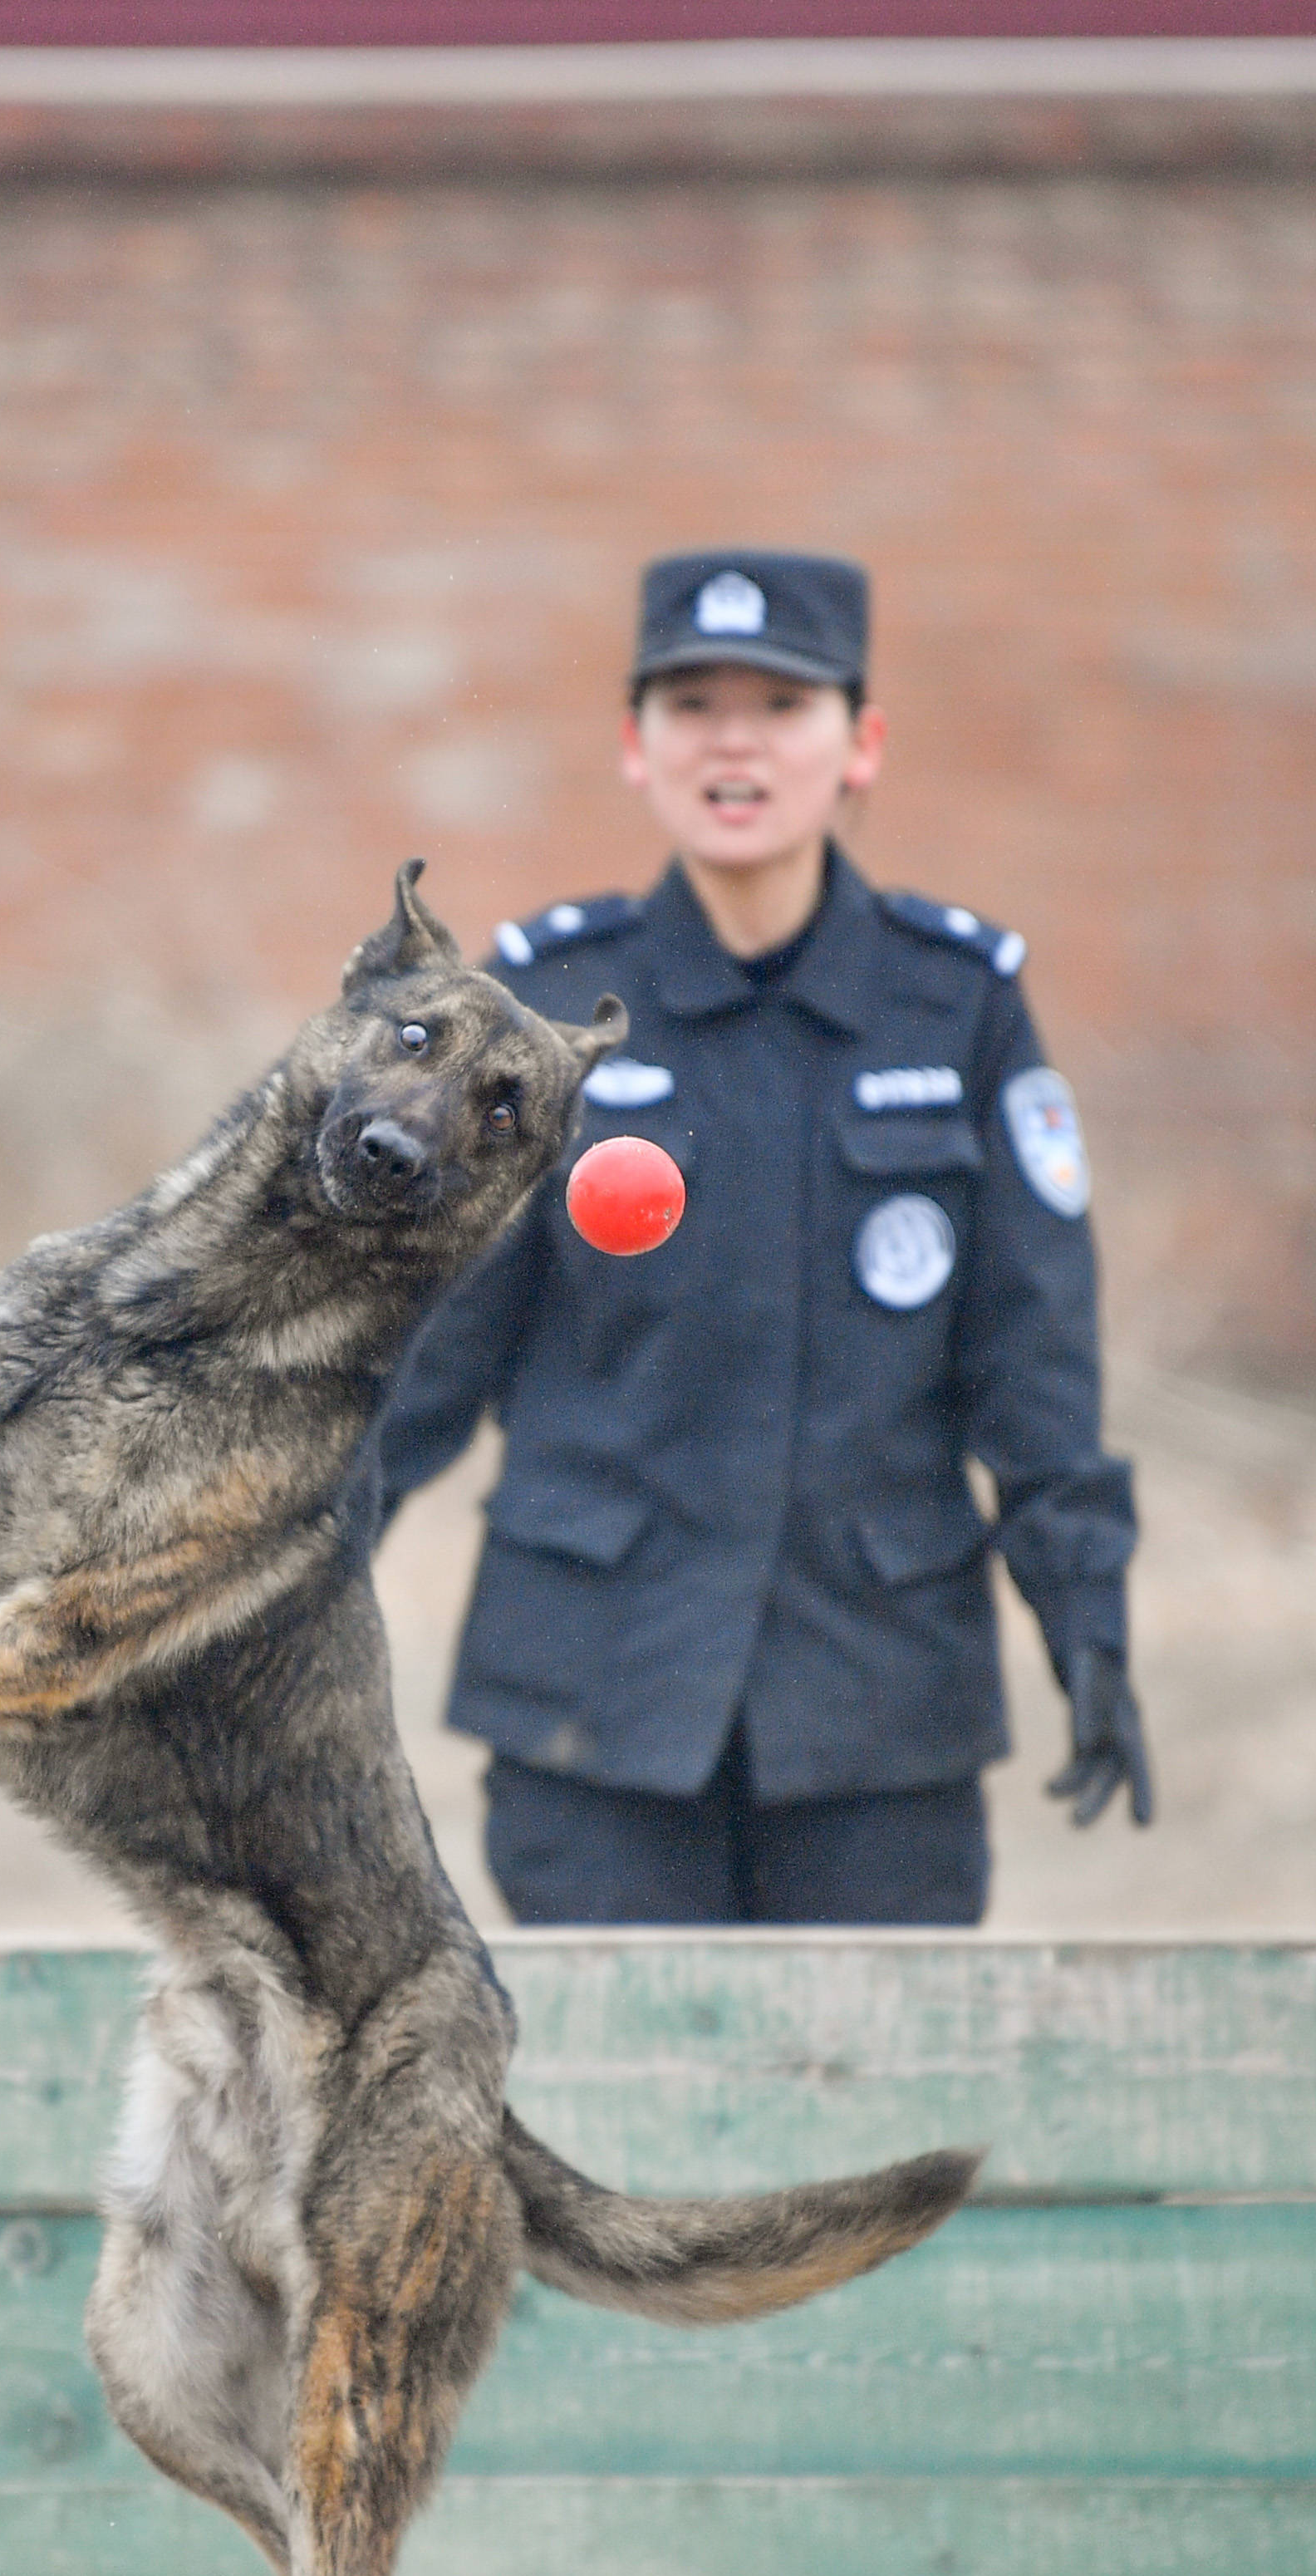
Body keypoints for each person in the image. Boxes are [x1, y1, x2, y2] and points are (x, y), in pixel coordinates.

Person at [373, 546, 1152, 1927]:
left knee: (871, 2125)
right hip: (593, 1703)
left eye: (780, 706)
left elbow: (1032, 1361)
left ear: (861, 743)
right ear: (636, 747)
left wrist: (1083, 1614)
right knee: (615, 2129)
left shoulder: (954, 1006)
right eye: (691, 705)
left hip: (876, 1703)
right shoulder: (544, 1009)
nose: (734, 741)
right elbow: (427, 1355)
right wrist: (276, 1567)